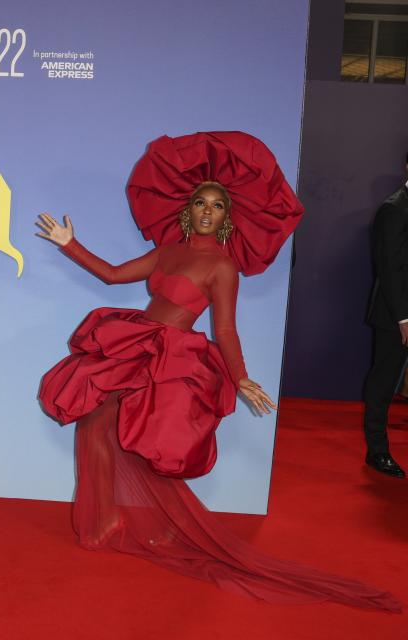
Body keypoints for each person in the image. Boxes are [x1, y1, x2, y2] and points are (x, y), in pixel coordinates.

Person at [35, 131, 401, 612]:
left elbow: (224, 329)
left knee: (154, 443)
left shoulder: (222, 267)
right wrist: (70, 243)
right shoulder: (167, 249)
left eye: (218, 206)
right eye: (201, 203)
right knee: (95, 425)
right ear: (188, 210)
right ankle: (103, 521)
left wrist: (241, 376)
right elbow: (112, 274)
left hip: (171, 357)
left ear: (228, 218)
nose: (208, 211)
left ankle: (168, 526)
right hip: (135, 342)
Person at [363, 154, 408, 479]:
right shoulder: (394, 208)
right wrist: (404, 319)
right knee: (384, 383)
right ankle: (377, 451)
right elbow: (389, 270)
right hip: (397, 315)